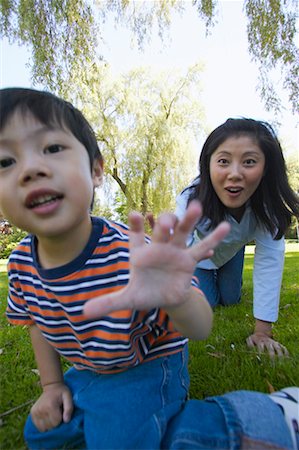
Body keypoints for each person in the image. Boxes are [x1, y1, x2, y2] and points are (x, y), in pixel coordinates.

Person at [0, 88, 297, 450]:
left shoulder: (132, 253)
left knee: (123, 442)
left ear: (96, 170)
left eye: (51, 148)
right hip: (93, 368)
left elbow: (200, 327)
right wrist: (52, 385)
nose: (31, 169)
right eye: (5, 162)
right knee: (39, 435)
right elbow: (35, 321)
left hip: (149, 363)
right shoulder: (20, 265)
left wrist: (177, 294)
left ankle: (271, 415)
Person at [176, 118, 299, 357]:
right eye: (223, 161)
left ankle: (227, 283)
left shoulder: (268, 207)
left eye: (249, 162)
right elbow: (179, 246)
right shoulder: (192, 198)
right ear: (208, 165)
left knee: (231, 299)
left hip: (233, 252)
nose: (234, 174)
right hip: (201, 257)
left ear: (266, 169)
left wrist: (263, 331)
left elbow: (270, 261)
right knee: (207, 302)